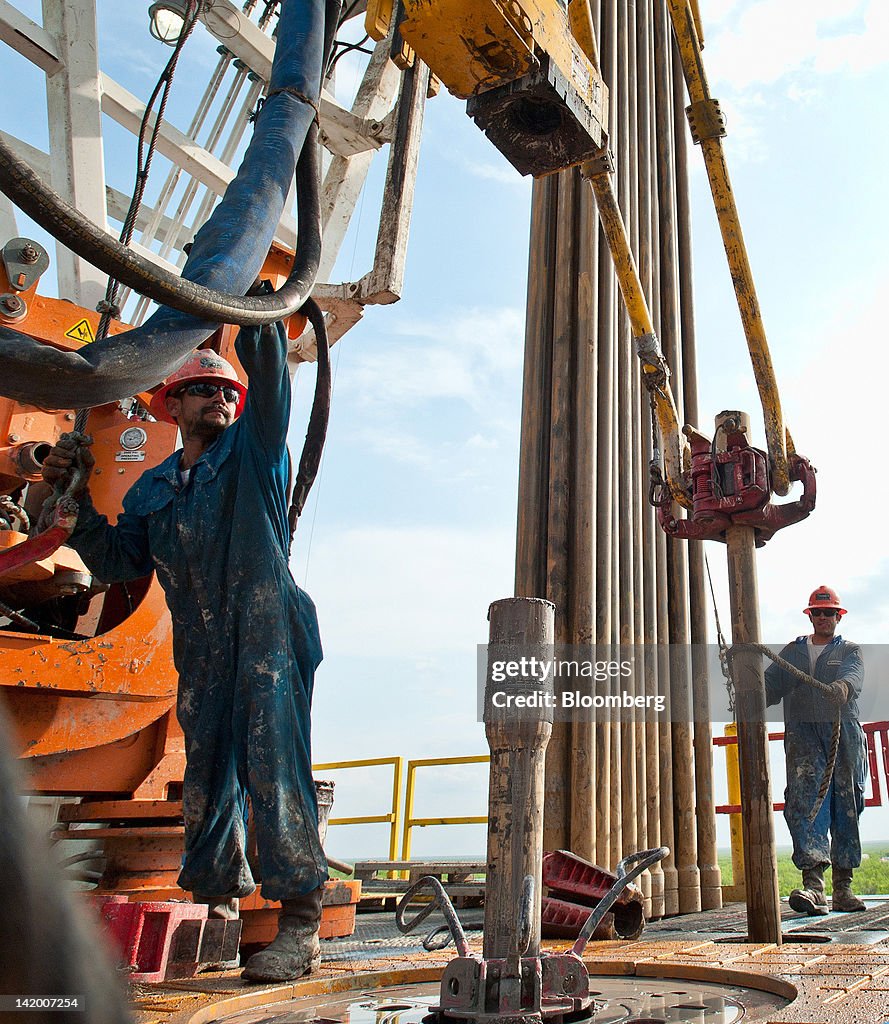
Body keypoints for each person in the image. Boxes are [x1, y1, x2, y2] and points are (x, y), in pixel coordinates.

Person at [41, 323, 328, 983]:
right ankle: (219, 907)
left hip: (267, 632)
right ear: (171, 405)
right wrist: (74, 496)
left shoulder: (255, 454)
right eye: (199, 391)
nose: (217, 402)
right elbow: (118, 558)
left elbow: (271, 390)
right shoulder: (155, 487)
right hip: (200, 643)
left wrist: (254, 322)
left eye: (224, 392)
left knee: (273, 766)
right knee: (207, 777)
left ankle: (299, 924)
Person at [764, 586, 866, 916]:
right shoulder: (792, 653)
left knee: (846, 801)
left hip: (843, 732)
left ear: (839, 617)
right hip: (803, 734)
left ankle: (843, 887)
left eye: (829, 613)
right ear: (810, 616)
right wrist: (744, 687)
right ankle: (814, 886)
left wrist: (844, 687)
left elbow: (854, 676)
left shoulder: (850, 651)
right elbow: (769, 686)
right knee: (805, 802)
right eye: (818, 613)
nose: (824, 618)